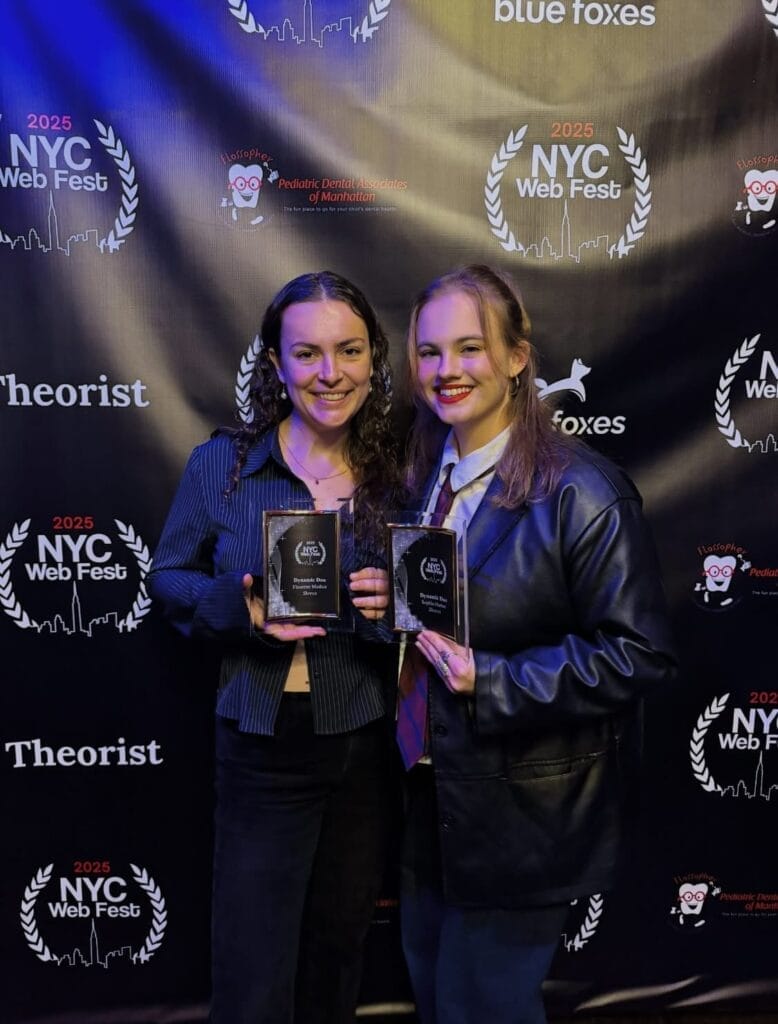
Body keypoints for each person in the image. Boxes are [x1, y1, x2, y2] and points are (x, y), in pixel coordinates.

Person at [397, 265, 676, 1024]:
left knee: (479, 1007)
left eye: (469, 348)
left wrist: (489, 679)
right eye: (428, 352)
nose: (446, 371)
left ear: (518, 357)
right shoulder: (429, 478)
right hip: (430, 792)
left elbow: (636, 652)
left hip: (523, 813)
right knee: (434, 994)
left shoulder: (583, 491)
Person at [148, 271, 402, 1024]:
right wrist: (240, 610)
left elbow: (439, 599)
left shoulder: (405, 473)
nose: (331, 374)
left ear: (373, 358)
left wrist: (391, 611)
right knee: (254, 976)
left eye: (349, 350)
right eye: (308, 354)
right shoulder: (223, 468)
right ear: (276, 365)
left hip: (362, 741)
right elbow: (167, 577)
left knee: (337, 957)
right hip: (261, 741)